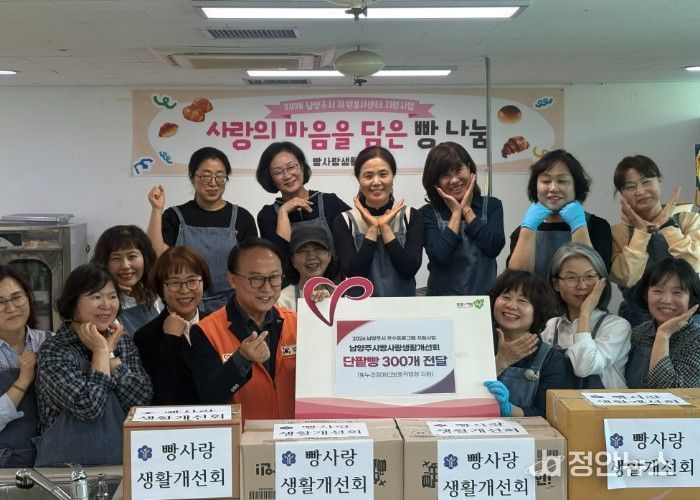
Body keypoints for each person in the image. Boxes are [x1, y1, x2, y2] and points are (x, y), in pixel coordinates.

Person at [34, 264, 152, 466]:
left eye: (112, 296)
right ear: (73, 303)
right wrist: (100, 352)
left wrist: (111, 357)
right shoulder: (54, 350)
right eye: (96, 297)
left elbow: (141, 403)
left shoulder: (122, 342)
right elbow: (88, 407)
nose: (106, 305)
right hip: (63, 471)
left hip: (122, 465)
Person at [188, 238, 296, 423]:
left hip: (292, 434)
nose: (267, 288)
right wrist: (241, 360)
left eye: (274, 277)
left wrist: (324, 316)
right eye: (256, 279)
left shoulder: (298, 323)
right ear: (233, 280)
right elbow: (209, 398)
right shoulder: (206, 331)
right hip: (242, 437)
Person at [146, 146, 258, 314]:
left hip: (231, 308)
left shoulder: (242, 217)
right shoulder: (174, 216)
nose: (213, 183)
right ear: (192, 177)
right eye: (205, 176)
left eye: (220, 176)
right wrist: (156, 210)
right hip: (184, 305)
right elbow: (155, 255)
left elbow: (251, 266)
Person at [610, 155, 700, 327]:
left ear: (659, 182)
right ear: (622, 193)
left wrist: (667, 225)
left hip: (689, 318)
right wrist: (640, 232)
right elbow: (626, 278)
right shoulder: (617, 232)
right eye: (630, 186)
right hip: (636, 321)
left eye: (646, 182)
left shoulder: (689, 219)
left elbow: (695, 264)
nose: (640, 191)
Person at [332, 146, 424, 297]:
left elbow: (409, 270)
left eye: (383, 174)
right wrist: (372, 229)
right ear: (359, 180)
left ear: (392, 176)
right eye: (368, 176)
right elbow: (354, 275)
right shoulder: (344, 221)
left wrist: (385, 228)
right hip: (361, 309)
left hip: (404, 308)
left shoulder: (411, 217)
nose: (376, 182)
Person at [484, 270, 575, 417]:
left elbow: (547, 414)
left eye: (522, 300)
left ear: (538, 311)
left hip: (526, 431)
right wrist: (500, 362)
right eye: (505, 297)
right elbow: (457, 394)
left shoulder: (550, 359)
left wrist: (508, 409)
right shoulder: (475, 344)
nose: (511, 305)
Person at [507, 149, 612, 277]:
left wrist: (579, 226)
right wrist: (528, 228)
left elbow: (594, 278)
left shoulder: (597, 226)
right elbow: (515, 281)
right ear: (535, 186)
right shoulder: (522, 231)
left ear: (576, 186)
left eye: (562, 181)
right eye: (546, 181)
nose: (553, 188)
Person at [420, 141, 505, 295]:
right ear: (435, 182)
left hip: (482, 302)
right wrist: (456, 213)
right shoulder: (427, 213)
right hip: (441, 302)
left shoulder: (492, 206)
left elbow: (493, 248)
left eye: (459, 170)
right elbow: (440, 257)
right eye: (445, 175)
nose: (454, 180)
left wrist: (466, 209)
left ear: (470, 169)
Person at [543, 243, 631, 388]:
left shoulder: (617, 326)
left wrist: (584, 314)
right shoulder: (551, 326)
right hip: (559, 401)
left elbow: (584, 367)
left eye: (590, 277)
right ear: (556, 284)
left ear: (602, 281)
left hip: (605, 402)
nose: (582, 286)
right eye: (572, 278)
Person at [134, 246, 211, 405]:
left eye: (192, 281)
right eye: (174, 283)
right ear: (161, 288)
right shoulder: (146, 337)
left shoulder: (217, 324)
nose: (184, 290)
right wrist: (171, 340)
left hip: (222, 417)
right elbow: (161, 396)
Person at [256, 141, 350, 259]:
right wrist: (283, 212)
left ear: (302, 167)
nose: (287, 176)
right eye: (278, 172)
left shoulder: (330, 202)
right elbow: (278, 260)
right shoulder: (267, 215)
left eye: (291, 167)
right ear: (270, 178)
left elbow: (356, 238)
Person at [0, 266, 51, 467]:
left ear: (28, 297)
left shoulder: (50, 342)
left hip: (52, 459)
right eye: (0, 302)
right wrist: (23, 381)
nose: (11, 308)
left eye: (16, 297)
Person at [625, 258, 700, 389]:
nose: (666, 300)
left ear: (692, 299)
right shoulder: (638, 333)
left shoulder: (697, 341)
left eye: (677, 292)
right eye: (658, 291)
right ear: (645, 295)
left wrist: (663, 335)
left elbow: (667, 394)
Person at [91, 225, 160, 334]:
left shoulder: (156, 294)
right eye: (116, 258)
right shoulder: (97, 303)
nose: (125, 265)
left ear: (145, 258)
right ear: (104, 262)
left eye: (132, 256)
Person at [276, 226, 338, 312]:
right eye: (303, 251)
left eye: (318, 249)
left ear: (329, 256)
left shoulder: (340, 295)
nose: (311, 256)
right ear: (293, 260)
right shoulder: (282, 301)